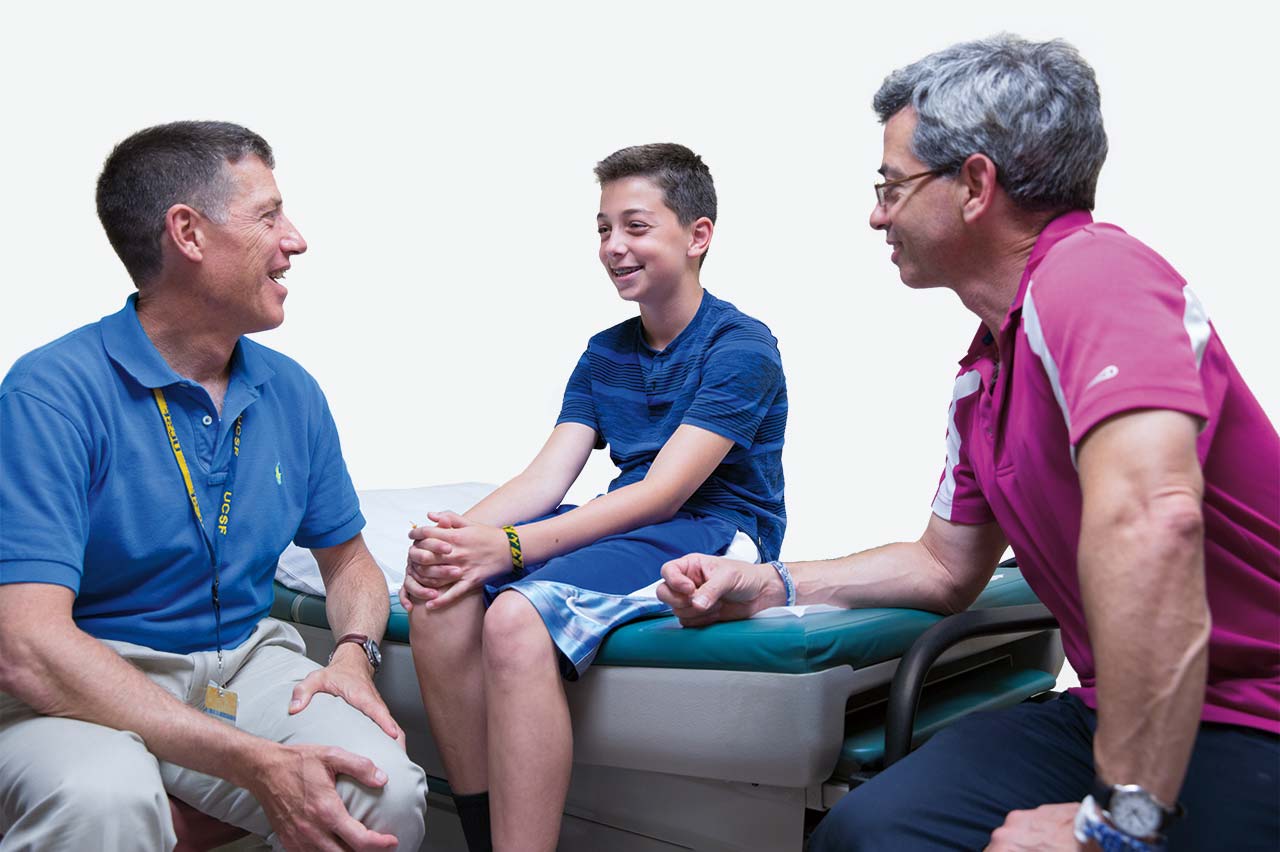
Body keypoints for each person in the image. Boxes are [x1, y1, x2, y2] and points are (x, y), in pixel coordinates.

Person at [658, 35, 1279, 852]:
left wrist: (1118, 827)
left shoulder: (1093, 275)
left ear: (976, 185)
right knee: (867, 835)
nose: (878, 213)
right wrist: (769, 582)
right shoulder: (982, 375)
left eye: (893, 186)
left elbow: (1155, 521)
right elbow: (946, 568)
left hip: (1257, 717)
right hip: (1115, 710)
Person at [0, 121, 428, 851]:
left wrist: (354, 649)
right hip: (86, 678)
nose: (294, 240)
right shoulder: (51, 392)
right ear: (188, 234)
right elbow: (28, 646)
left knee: (377, 789)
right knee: (104, 802)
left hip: (243, 664)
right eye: (268, 215)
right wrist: (256, 765)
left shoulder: (291, 392)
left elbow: (350, 563)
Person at [401, 143, 787, 852]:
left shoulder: (741, 346)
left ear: (698, 236)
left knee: (516, 619)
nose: (614, 247)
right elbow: (547, 479)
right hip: (639, 520)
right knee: (439, 593)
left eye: (635, 227)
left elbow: (666, 494)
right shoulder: (604, 351)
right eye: (603, 228)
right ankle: (487, 836)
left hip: (715, 529)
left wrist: (511, 548)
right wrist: (454, 541)